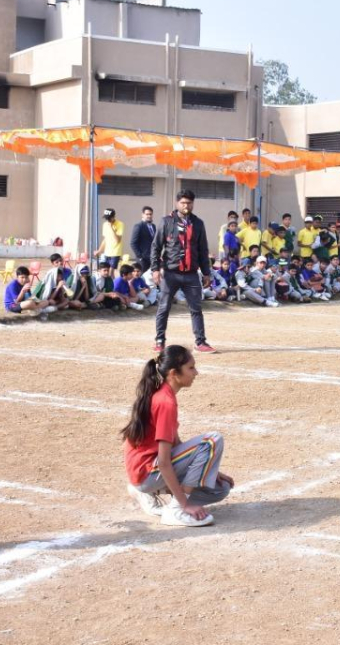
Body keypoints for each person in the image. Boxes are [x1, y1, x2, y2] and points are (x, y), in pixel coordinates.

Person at [122, 346, 233, 527]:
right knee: (212, 441)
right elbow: (164, 462)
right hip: (147, 472)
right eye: (191, 368)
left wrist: (211, 469)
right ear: (174, 373)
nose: (196, 372)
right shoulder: (165, 401)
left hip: (149, 472)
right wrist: (184, 504)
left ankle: (148, 492)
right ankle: (176, 510)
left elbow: (175, 443)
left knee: (219, 489)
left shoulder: (165, 394)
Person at [152, 190, 215, 355]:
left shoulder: (198, 223)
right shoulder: (166, 222)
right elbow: (156, 247)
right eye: (183, 203)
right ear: (177, 203)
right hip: (170, 274)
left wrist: (206, 273)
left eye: (189, 203)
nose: (186, 205)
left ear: (193, 204)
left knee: (196, 309)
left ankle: (200, 342)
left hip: (192, 274)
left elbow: (203, 249)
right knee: (163, 307)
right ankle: (160, 340)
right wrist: (155, 269)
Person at [127, 206, 157, 272]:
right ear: (142, 215)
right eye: (147, 214)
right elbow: (133, 243)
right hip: (143, 260)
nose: (149, 216)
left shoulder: (153, 226)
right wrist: (140, 257)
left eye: (150, 214)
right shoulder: (138, 226)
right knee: (142, 276)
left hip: (152, 258)